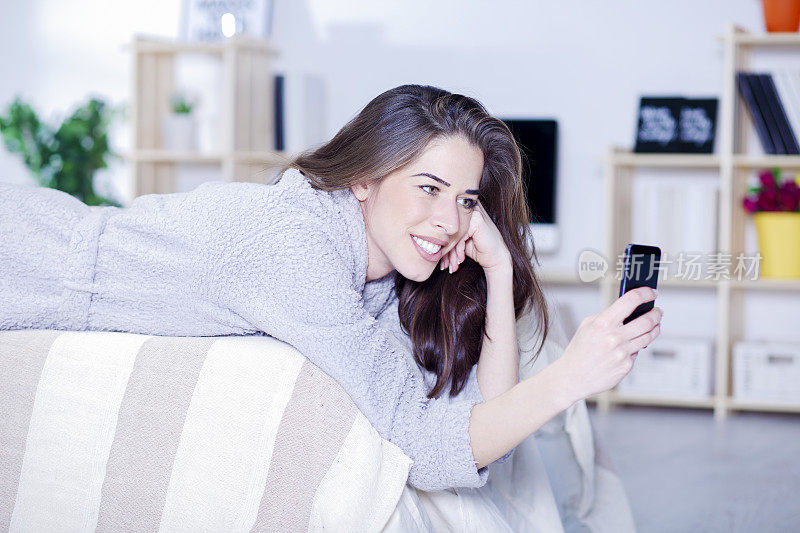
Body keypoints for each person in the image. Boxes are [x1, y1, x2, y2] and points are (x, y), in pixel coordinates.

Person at [0, 84, 662, 495]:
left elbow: (486, 412)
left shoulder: (375, 270)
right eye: (428, 188)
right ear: (365, 178)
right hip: (23, 259)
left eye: (465, 200)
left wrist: (500, 271)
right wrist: (571, 376)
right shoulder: (298, 252)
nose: (449, 220)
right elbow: (428, 445)